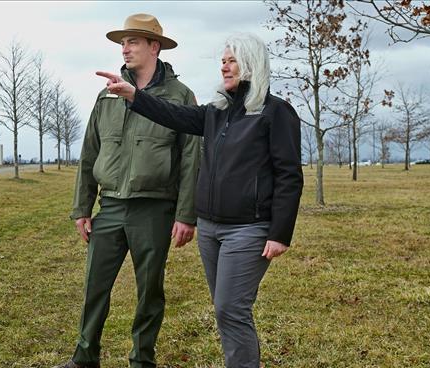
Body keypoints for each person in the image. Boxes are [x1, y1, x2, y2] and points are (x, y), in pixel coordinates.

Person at [97, 33, 304, 368]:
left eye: (232, 60)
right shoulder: (217, 112)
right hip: (210, 228)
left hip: (248, 230)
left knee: (230, 308)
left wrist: (280, 233)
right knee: (226, 309)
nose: (224, 66)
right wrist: (135, 95)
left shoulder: (275, 113)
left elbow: (289, 175)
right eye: (222, 61)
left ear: (251, 64)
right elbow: (173, 115)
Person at [54, 13, 201, 368]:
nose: (125, 48)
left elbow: (191, 160)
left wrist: (185, 215)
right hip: (111, 207)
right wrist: (82, 208)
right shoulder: (108, 96)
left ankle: (142, 360)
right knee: (94, 287)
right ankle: (84, 357)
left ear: (154, 47)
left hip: (154, 210)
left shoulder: (181, 96)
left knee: (149, 292)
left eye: (133, 41)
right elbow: (90, 152)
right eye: (122, 42)